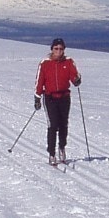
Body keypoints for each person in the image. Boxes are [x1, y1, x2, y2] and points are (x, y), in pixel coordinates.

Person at [34, 37, 81, 165]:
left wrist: (77, 80)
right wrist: (37, 97)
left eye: (61, 49)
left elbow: (74, 76)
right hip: (50, 97)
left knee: (63, 124)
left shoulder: (69, 61)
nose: (58, 51)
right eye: (56, 48)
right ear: (52, 49)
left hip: (65, 97)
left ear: (64, 49)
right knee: (53, 125)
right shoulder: (45, 63)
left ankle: (62, 148)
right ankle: (51, 153)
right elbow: (39, 80)